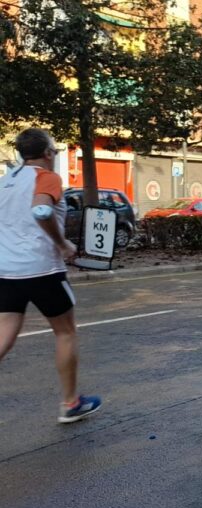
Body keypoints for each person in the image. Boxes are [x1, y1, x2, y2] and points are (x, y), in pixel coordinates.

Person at [0, 128, 101, 424]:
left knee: (5, 334)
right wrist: (62, 244)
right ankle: (71, 403)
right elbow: (42, 210)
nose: (55, 156)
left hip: (7, 271)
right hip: (42, 269)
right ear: (46, 153)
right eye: (55, 151)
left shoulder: (6, 182)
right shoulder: (46, 177)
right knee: (66, 331)